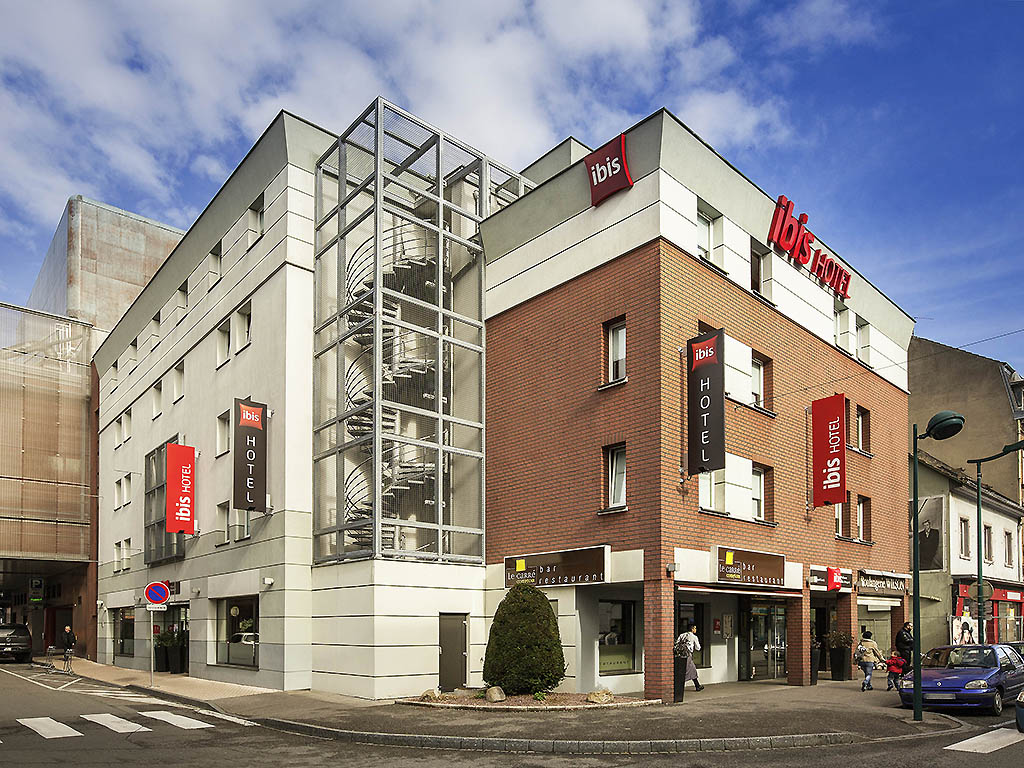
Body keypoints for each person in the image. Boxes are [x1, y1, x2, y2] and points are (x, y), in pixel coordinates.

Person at [674, 623, 704, 692]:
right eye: (695, 628)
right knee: (689, 670)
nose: (696, 630)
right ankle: (680, 686)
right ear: (692, 629)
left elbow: (677, 644)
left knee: (686, 670)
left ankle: (697, 685)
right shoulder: (694, 637)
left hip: (680, 655)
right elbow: (698, 648)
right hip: (688, 654)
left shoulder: (682, 635)